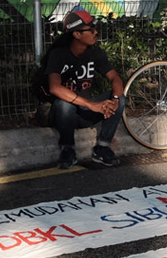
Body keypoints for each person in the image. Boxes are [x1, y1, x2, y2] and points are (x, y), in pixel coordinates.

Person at [43, 9, 126, 168]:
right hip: (63, 116)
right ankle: (68, 150)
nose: (95, 32)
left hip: (86, 112)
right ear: (77, 34)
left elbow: (115, 78)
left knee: (121, 97)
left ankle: (102, 148)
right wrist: (90, 104)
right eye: (91, 29)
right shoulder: (58, 54)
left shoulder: (95, 53)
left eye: (95, 28)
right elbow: (54, 87)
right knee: (63, 104)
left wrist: (114, 101)